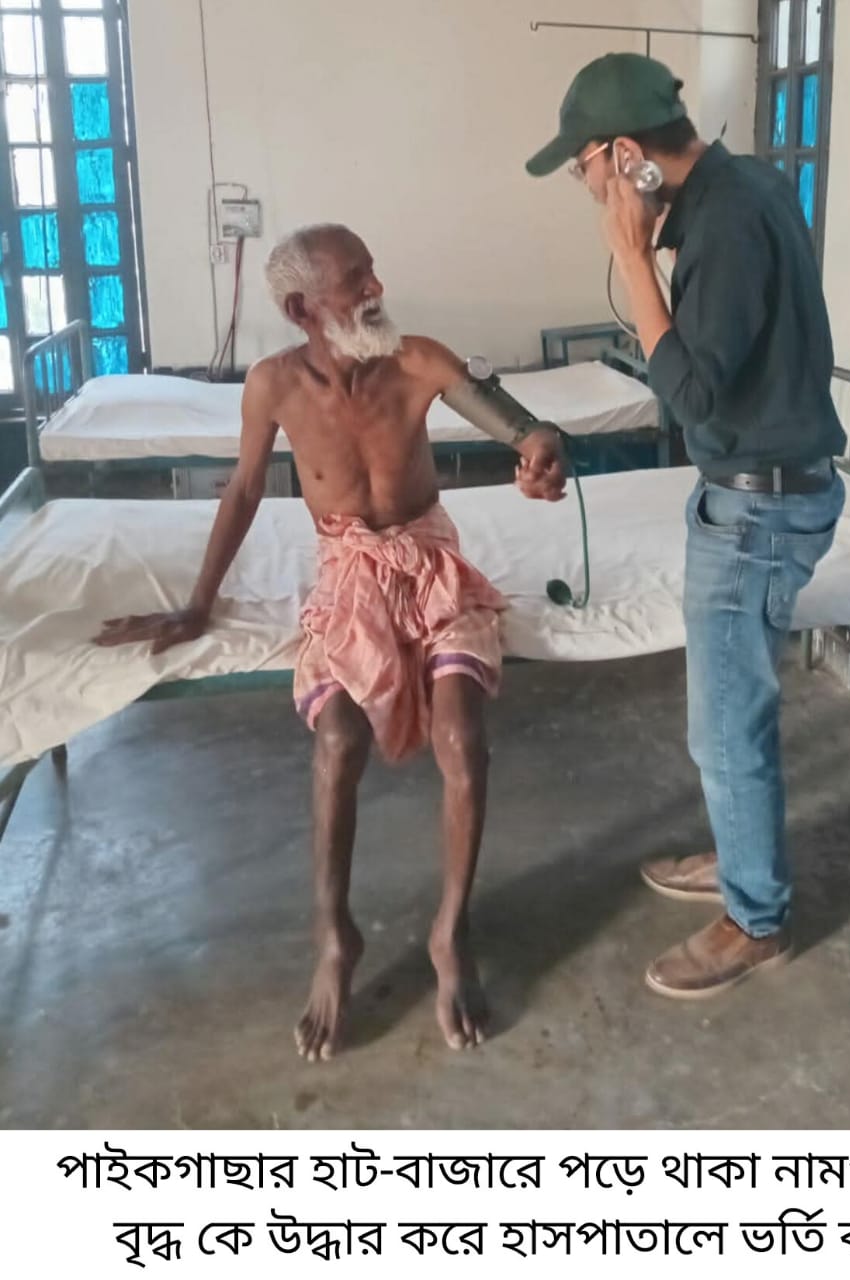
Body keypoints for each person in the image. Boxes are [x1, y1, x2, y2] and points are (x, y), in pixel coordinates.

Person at [95, 224, 566, 1059]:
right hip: (349, 572)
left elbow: (519, 426)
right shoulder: (274, 384)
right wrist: (199, 604)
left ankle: (451, 933)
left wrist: (539, 453)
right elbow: (244, 491)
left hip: (430, 563)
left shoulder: (417, 359)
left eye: (372, 269)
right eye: (356, 278)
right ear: (301, 308)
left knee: (462, 734)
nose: (376, 286)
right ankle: (334, 937)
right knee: (339, 739)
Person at [527, 54, 849, 999]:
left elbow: (695, 401)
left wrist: (634, 260)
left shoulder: (724, 221)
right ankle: (742, 856)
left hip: (757, 509)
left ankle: (757, 919)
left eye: (585, 167)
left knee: (725, 729)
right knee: (730, 718)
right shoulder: (746, 189)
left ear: (626, 154)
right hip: (759, 493)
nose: (587, 188)